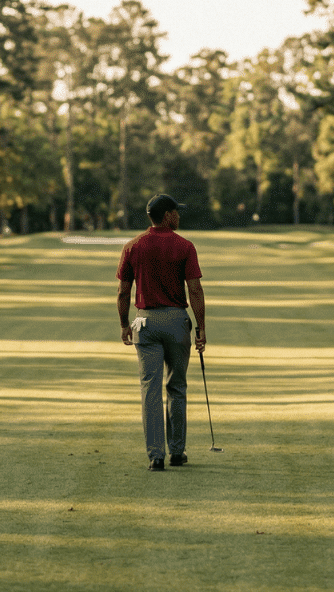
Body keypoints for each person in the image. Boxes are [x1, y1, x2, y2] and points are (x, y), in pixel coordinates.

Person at [116, 194, 207, 471]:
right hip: (177, 322)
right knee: (176, 386)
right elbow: (194, 290)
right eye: (176, 212)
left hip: (145, 323)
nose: (179, 217)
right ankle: (177, 452)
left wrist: (123, 323)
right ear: (167, 216)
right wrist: (201, 327)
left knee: (150, 390)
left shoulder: (133, 246)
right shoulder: (185, 246)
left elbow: (123, 291)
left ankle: (156, 455)